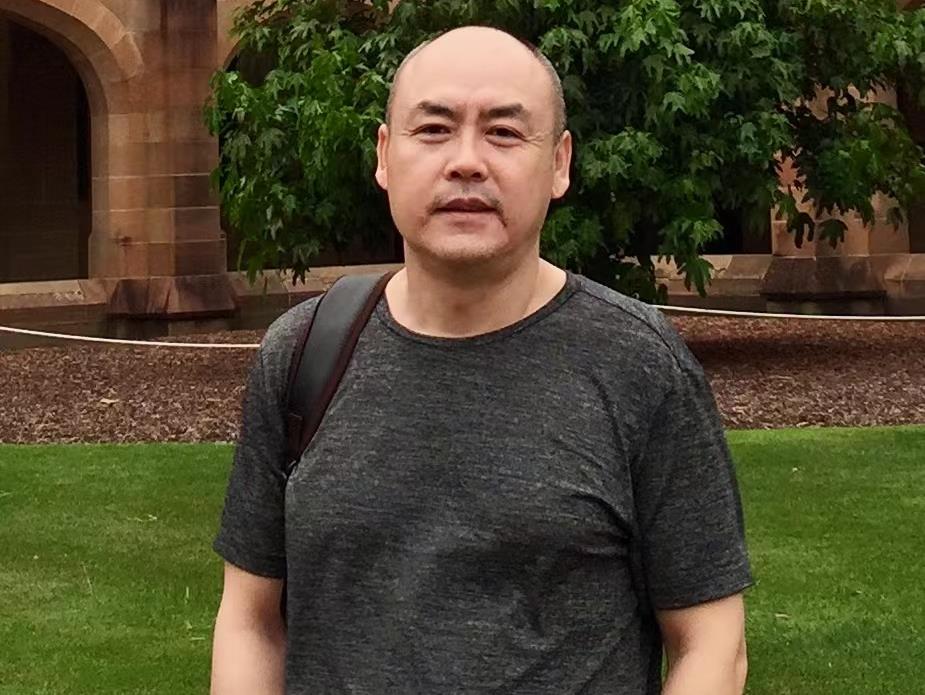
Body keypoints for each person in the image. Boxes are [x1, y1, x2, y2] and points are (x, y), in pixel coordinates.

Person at [210, 25, 752, 695]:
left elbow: (711, 643)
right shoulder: (303, 353)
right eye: (433, 129)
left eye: (503, 132)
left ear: (559, 163)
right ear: (384, 155)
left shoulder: (638, 364)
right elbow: (251, 620)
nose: (466, 161)